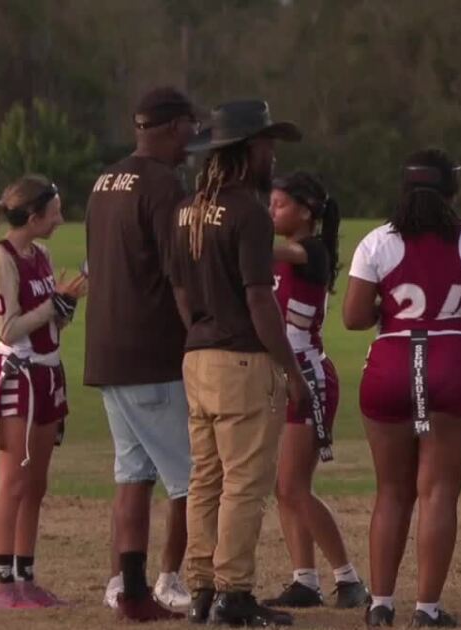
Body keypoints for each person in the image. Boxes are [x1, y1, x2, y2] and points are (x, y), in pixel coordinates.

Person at [344, 148, 461, 628]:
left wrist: (390, 313)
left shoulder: (377, 242)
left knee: (391, 492)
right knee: (438, 492)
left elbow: (355, 317)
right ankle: (427, 609)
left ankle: (380, 604)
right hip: (455, 365)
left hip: (392, 363)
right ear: (452, 191)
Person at [169, 100, 311, 627]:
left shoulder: (184, 209)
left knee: (205, 478)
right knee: (244, 483)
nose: (272, 155)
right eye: (267, 145)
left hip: (198, 356)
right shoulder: (248, 213)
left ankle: (202, 588)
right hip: (243, 361)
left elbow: (180, 289)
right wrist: (292, 371)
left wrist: (200, 336)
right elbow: (259, 299)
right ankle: (234, 593)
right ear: (247, 150)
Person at [84, 86, 196, 621]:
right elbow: (177, 275)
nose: (192, 141)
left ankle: (128, 589)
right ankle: (194, 583)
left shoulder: (105, 180)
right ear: (174, 127)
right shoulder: (163, 185)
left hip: (107, 351)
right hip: (152, 354)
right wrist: (198, 332)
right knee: (197, 479)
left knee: (133, 475)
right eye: (190, 130)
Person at [0, 175, 87, 609]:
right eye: (54, 212)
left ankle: (27, 576)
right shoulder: (1, 261)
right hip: (17, 376)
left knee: (36, 483)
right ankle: (4, 584)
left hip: (47, 374)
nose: (60, 219)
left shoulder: (41, 254)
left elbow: (51, 321)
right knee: (14, 480)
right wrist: (51, 306)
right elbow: (10, 327)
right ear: (34, 216)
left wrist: (66, 306)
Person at [261, 172, 370, 609]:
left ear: (306, 211)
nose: (272, 212)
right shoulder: (289, 251)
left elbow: (263, 251)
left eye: (280, 205)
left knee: (293, 486)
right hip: (282, 374)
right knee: (283, 486)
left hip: (306, 374)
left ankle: (348, 578)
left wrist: (231, 233)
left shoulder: (312, 250)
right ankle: (305, 580)